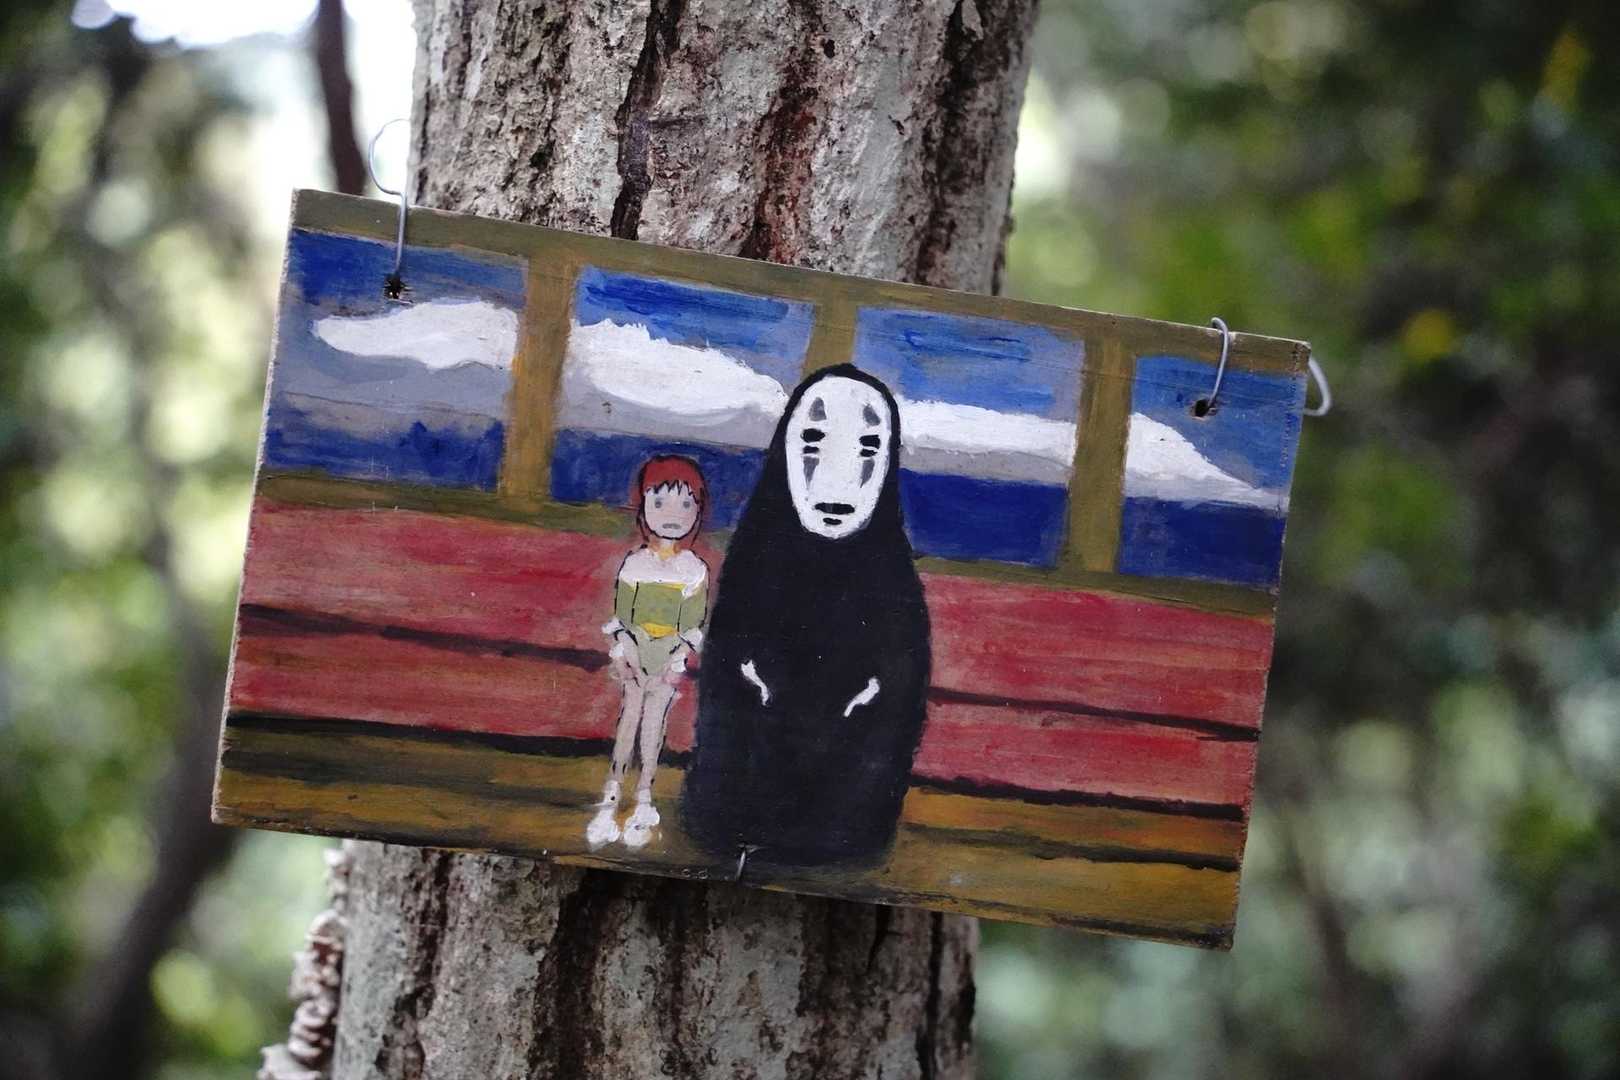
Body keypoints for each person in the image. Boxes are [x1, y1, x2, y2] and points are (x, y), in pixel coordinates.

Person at [680, 365, 931, 870]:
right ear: (785, 452)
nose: (838, 478)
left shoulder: (893, 589)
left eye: (868, 449)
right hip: (731, 823)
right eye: (813, 442)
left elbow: (896, 710)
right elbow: (725, 703)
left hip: (848, 833)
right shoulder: (754, 568)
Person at [585, 455, 709, 848]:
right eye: (660, 502)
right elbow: (622, 616)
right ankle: (611, 793)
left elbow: (691, 625)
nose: (673, 515)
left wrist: (676, 662)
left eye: (685, 504)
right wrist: (624, 654)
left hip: (668, 655)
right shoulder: (635, 563)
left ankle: (644, 797)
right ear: (643, 507)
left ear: (697, 511)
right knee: (629, 722)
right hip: (635, 651)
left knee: (654, 727)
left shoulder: (694, 569)